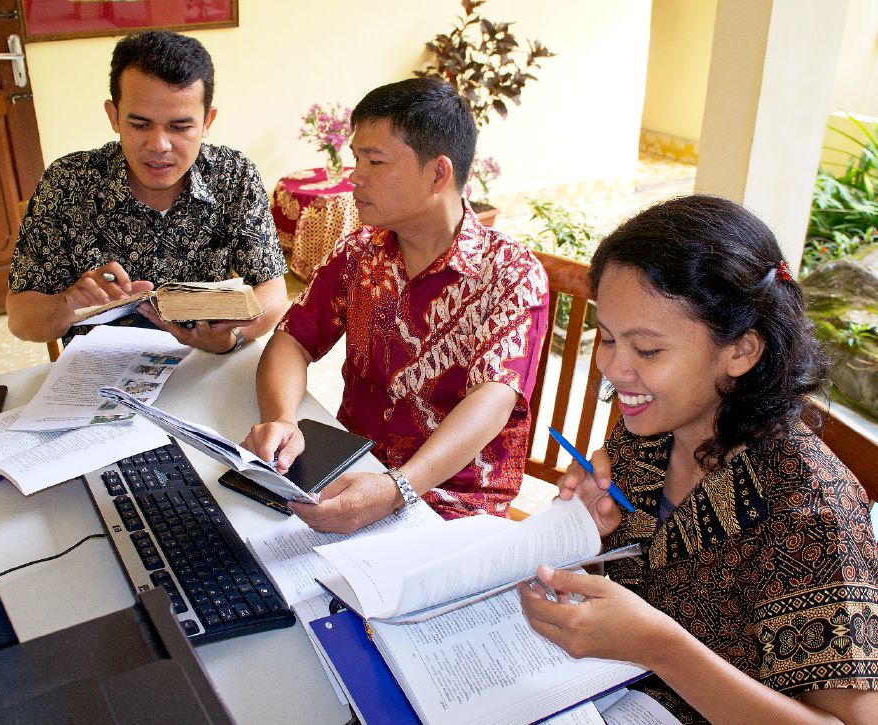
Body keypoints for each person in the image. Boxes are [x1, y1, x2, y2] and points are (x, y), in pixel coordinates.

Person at [519, 195, 878, 724]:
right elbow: (622, 593)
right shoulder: (646, 438)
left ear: (740, 351)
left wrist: (661, 647)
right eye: (609, 338)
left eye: (647, 351)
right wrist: (584, 537)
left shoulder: (810, 511)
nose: (614, 369)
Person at [242, 77, 549, 533]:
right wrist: (282, 418)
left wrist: (396, 489)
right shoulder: (359, 253)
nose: (354, 177)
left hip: (451, 507)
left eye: (375, 161)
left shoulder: (510, 274)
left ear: (438, 174)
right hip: (350, 471)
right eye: (356, 158)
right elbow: (292, 342)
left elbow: (491, 402)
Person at [6, 30, 288, 354]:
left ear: (208, 120)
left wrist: (233, 336)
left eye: (180, 127)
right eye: (140, 124)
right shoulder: (68, 183)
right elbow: (20, 318)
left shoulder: (233, 176)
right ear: (113, 115)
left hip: (204, 363)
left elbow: (272, 289)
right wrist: (68, 304)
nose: (159, 146)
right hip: (99, 378)